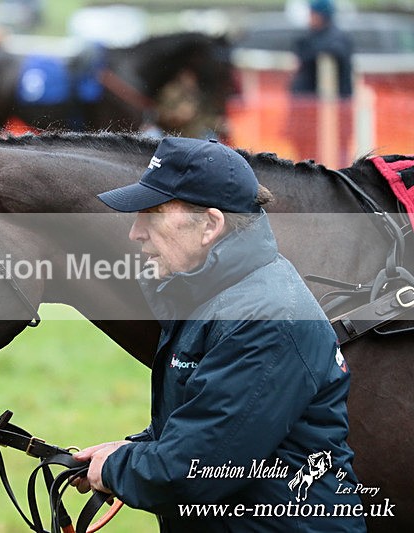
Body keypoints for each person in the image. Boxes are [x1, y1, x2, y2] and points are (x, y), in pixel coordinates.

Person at [73, 137, 366, 531]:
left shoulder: (264, 318)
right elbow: (209, 422)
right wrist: (133, 450)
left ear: (210, 225)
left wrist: (116, 469)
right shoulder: (213, 294)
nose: (136, 232)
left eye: (152, 213)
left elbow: (199, 468)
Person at [288, 0, 353, 164]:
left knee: (333, 155)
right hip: (309, 113)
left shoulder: (335, 39)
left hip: (329, 112)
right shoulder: (312, 37)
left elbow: (334, 51)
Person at [290, 0, 353, 98]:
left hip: (326, 104)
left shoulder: (335, 39)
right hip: (308, 102)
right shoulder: (312, 36)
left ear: (321, 16)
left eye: (312, 13)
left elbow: (336, 51)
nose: (309, 17)